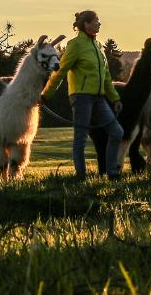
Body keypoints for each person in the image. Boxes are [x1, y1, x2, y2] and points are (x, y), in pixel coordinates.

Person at [41, 10, 125, 180]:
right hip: (81, 97)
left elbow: (106, 76)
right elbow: (60, 71)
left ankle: (112, 173)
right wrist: (45, 95)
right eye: (96, 21)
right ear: (86, 24)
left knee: (116, 131)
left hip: (99, 98)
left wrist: (115, 98)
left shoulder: (99, 47)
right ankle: (81, 176)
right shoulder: (75, 45)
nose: (99, 23)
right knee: (80, 137)